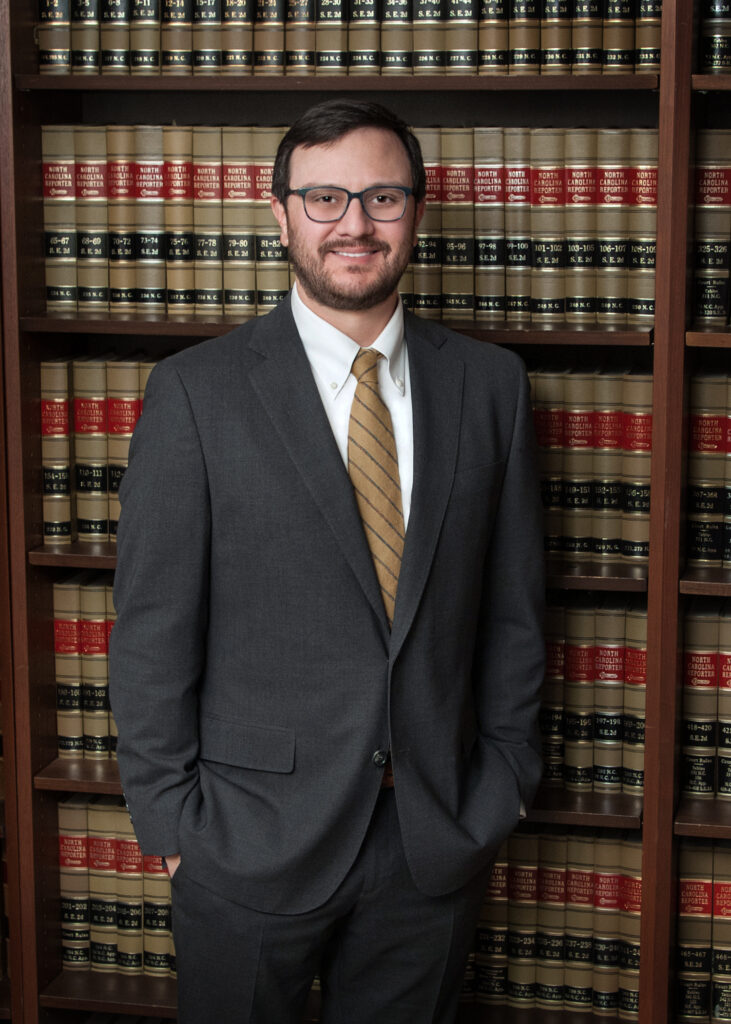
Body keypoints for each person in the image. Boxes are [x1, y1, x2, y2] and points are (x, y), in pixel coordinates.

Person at [109, 98, 545, 1024]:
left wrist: (501, 786)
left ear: (416, 212)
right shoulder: (195, 392)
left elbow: (513, 613)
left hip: (433, 840)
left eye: (382, 197)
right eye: (325, 198)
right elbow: (152, 629)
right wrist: (172, 827)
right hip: (241, 842)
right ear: (280, 213)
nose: (354, 223)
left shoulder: (490, 386)